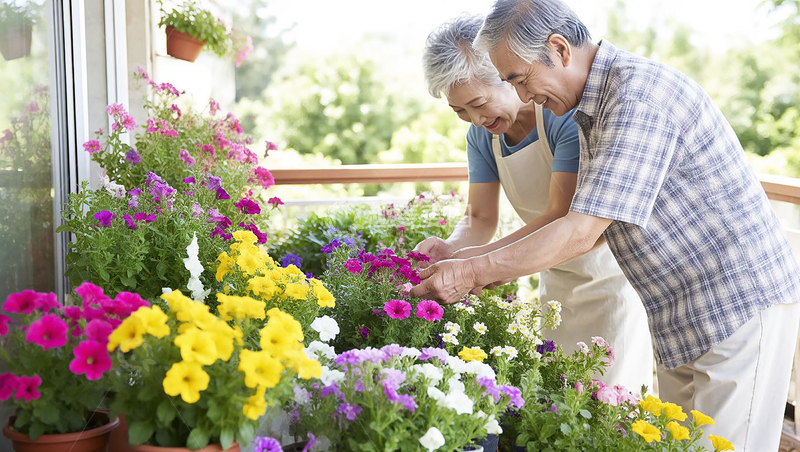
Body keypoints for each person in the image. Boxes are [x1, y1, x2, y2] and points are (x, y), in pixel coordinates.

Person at [411, 0, 800, 448]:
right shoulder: (592, 105)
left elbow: (579, 229)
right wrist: (468, 259)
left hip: (736, 303)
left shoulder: (636, 96)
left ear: (558, 49)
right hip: (680, 312)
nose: (520, 96)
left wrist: (471, 269)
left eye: (519, 78)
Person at [417, 14, 652, 391]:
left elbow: (559, 216)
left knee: (608, 399)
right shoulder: (483, 138)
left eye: (478, 103)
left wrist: (477, 265)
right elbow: (478, 216)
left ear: (504, 76)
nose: (475, 119)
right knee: (557, 397)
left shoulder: (562, 117)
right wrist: (453, 247)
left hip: (607, 280)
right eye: (460, 111)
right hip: (551, 276)